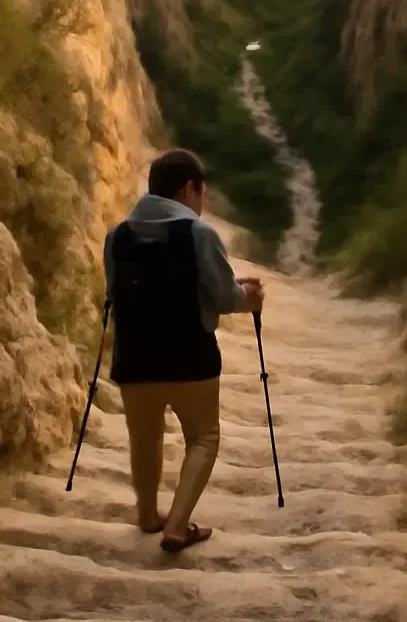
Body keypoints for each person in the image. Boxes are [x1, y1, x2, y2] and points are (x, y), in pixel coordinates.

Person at [103, 148, 265, 553]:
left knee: (144, 439)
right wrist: (248, 297)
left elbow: (115, 294)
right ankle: (177, 526)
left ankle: (147, 515)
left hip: (134, 359)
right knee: (203, 437)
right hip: (190, 358)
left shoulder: (116, 236)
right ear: (188, 189)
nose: (203, 200)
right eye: (202, 191)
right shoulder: (199, 234)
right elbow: (225, 297)